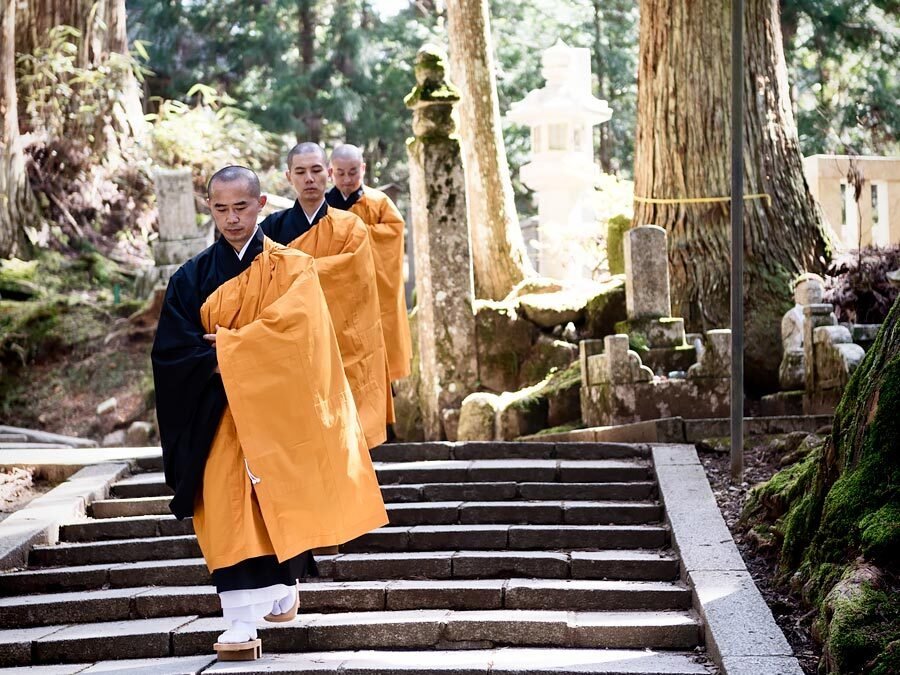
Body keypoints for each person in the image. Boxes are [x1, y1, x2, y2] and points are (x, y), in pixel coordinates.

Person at [151, 166, 387, 661]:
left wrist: (233, 347)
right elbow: (173, 353)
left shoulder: (293, 267)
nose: (232, 219)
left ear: (260, 205)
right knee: (224, 510)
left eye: (241, 207)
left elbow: (301, 336)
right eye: (221, 209)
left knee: (274, 502)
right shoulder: (190, 278)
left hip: (276, 415)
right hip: (217, 417)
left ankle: (281, 587)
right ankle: (238, 621)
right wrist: (223, 357)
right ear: (209, 209)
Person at [261, 142, 391, 449]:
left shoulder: (350, 227)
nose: (309, 178)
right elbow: (261, 282)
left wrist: (293, 271)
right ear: (288, 176)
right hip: (293, 338)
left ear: (328, 174)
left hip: (340, 336)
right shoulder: (271, 228)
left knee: (345, 434)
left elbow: (352, 278)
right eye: (301, 172)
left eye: (316, 170)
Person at [327, 144, 413, 384]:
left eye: (353, 172)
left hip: (373, 287)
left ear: (363, 169)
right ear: (330, 172)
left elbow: (394, 233)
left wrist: (355, 232)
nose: (347, 179)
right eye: (340, 173)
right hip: (339, 291)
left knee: (378, 363)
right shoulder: (323, 206)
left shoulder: (379, 202)